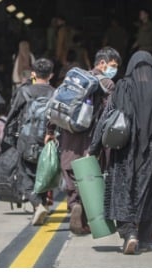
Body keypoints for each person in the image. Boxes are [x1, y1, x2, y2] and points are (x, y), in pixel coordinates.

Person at [88, 51, 152, 254]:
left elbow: (106, 119)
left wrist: (94, 148)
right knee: (147, 194)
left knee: (122, 191)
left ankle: (128, 233)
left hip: (124, 149)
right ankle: (143, 238)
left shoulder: (122, 88)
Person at [59, 46, 121, 235]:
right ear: (101, 63)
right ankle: (83, 214)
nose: (114, 69)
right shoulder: (108, 84)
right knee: (89, 175)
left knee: (70, 170)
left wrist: (50, 131)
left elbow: (59, 104)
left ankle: (74, 204)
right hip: (90, 138)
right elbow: (110, 115)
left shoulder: (75, 79)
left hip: (69, 136)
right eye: (113, 65)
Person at [4, 58, 56, 226]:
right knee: (44, 173)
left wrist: (9, 137)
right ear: (51, 75)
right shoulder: (55, 93)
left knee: (24, 174)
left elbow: (12, 115)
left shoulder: (24, 92)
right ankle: (40, 206)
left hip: (26, 139)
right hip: (48, 139)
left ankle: (37, 204)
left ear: (33, 73)